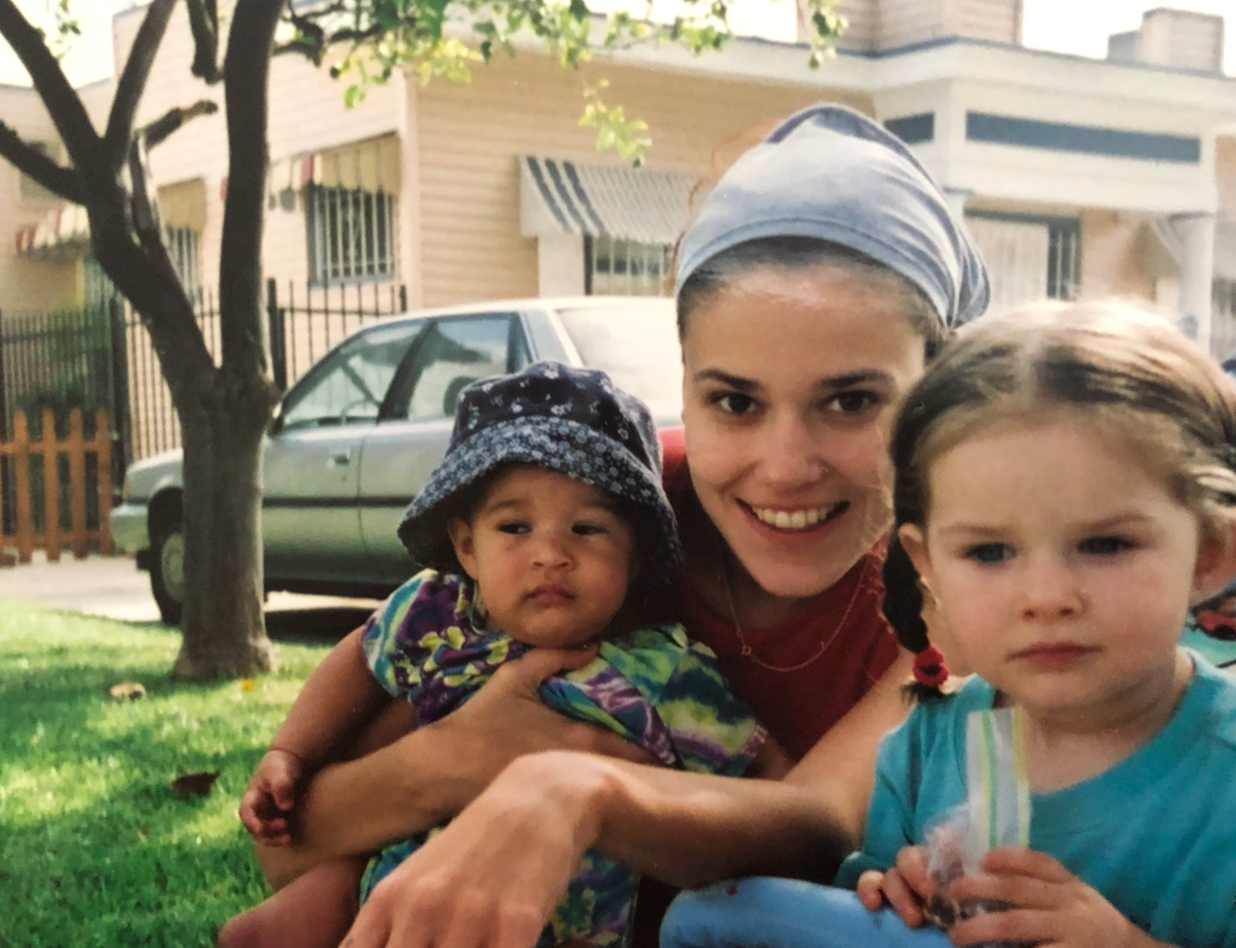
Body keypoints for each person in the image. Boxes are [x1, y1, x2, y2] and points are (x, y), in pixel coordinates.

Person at [330, 103, 990, 948]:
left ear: (935, 394)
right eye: (734, 401)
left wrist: (571, 787)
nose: (785, 466)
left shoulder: (959, 579)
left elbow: (816, 823)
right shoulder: (597, 514)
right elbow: (297, 843)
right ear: (681, 389)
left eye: (852, 400)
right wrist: (449, 761)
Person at [659, 302, 1236, 948]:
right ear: (926, 564)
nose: (1044, 597)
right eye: (988, 552)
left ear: (1212, 553)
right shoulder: (926, 748)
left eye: (1104, 545)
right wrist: (884, 894)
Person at [219, 361, 791, 948]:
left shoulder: (664, 669)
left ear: (636, 556)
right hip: (390, 889)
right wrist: (289, 753)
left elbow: (767, 774)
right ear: (467, 547)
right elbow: (360, 659)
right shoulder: (438, 613)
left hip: (553, 924)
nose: (550, 554)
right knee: (289, 917)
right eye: (515, 526)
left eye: (588, 529)